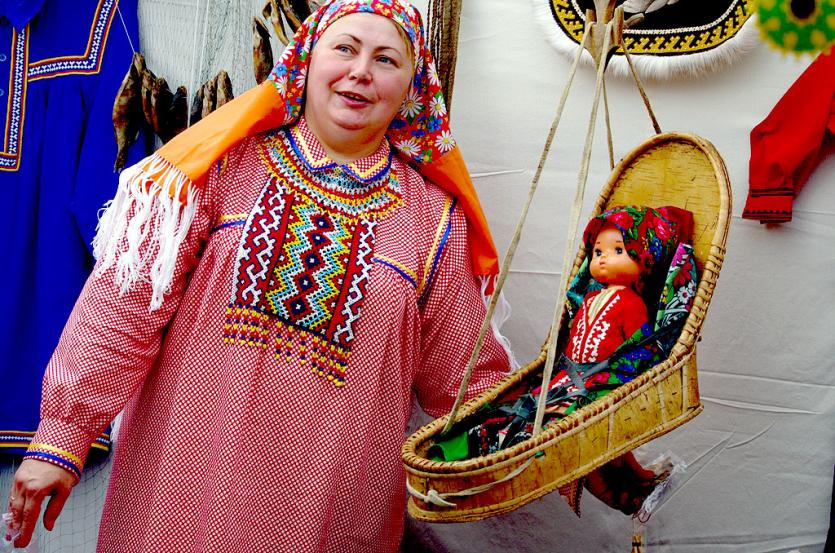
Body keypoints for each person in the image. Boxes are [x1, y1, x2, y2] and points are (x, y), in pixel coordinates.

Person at [5, 1, 511, 551]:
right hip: (178, 501)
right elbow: (122, 311)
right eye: (344, 48)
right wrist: (62, 437)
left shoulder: (434, 221)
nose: (361, 70)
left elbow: (466, 384)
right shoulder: (218, 166)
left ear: (412, 87)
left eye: (386, 59)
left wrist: (553, 434)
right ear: (306, 60)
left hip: (332, 518)